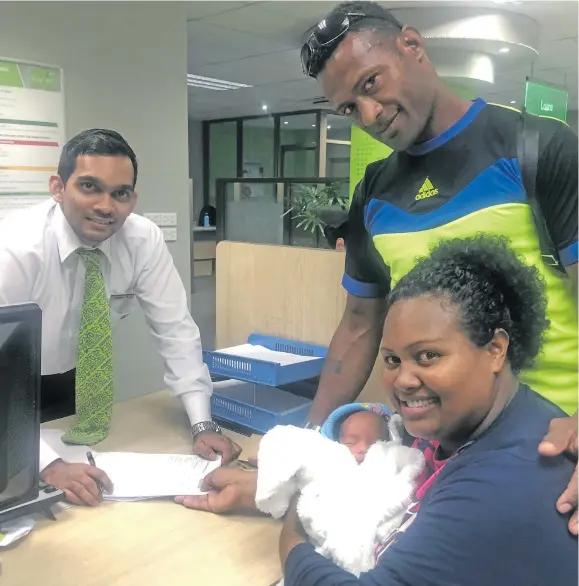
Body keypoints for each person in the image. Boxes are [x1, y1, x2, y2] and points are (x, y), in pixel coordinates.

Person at [177, 1, 579, 535]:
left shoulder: (537, 149)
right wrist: (307, 446)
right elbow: (360, 325)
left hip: (554, 445)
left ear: (412, 47)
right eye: (347, 108)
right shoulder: (375, 192)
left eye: (371, 84)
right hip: (444, 458)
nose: (369, 115)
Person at [279, 235, 578, 586]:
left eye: (428, 356)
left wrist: (292, 533)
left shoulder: (503, 483)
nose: (403, 380)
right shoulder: (480, 423)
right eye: (392, 359)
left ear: (496, 348)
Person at [0, 129, 240, 507]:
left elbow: (176, 330)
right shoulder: (15, 246)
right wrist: (46, 464)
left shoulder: (143, 241)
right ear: (58, 188)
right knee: (24, 490)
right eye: (90, 186)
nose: (106, 206)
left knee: (83, 487)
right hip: (8, 384)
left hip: (74, 384)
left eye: (120, 193)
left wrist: (201, 423)